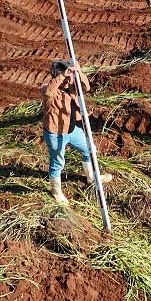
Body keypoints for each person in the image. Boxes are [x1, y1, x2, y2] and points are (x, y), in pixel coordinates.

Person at [40, 59, 111, 206]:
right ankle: (56, 191)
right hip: (55, 133)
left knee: (89, 149)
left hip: (71, 130)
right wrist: (61, 77)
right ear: (58, 76)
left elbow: (86, 87)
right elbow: (47, 93)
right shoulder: (48, 87)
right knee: (57, 162)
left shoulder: (72, 85)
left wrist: (78, 71)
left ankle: (91, 177)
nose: (68, 79)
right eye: (66, 76)